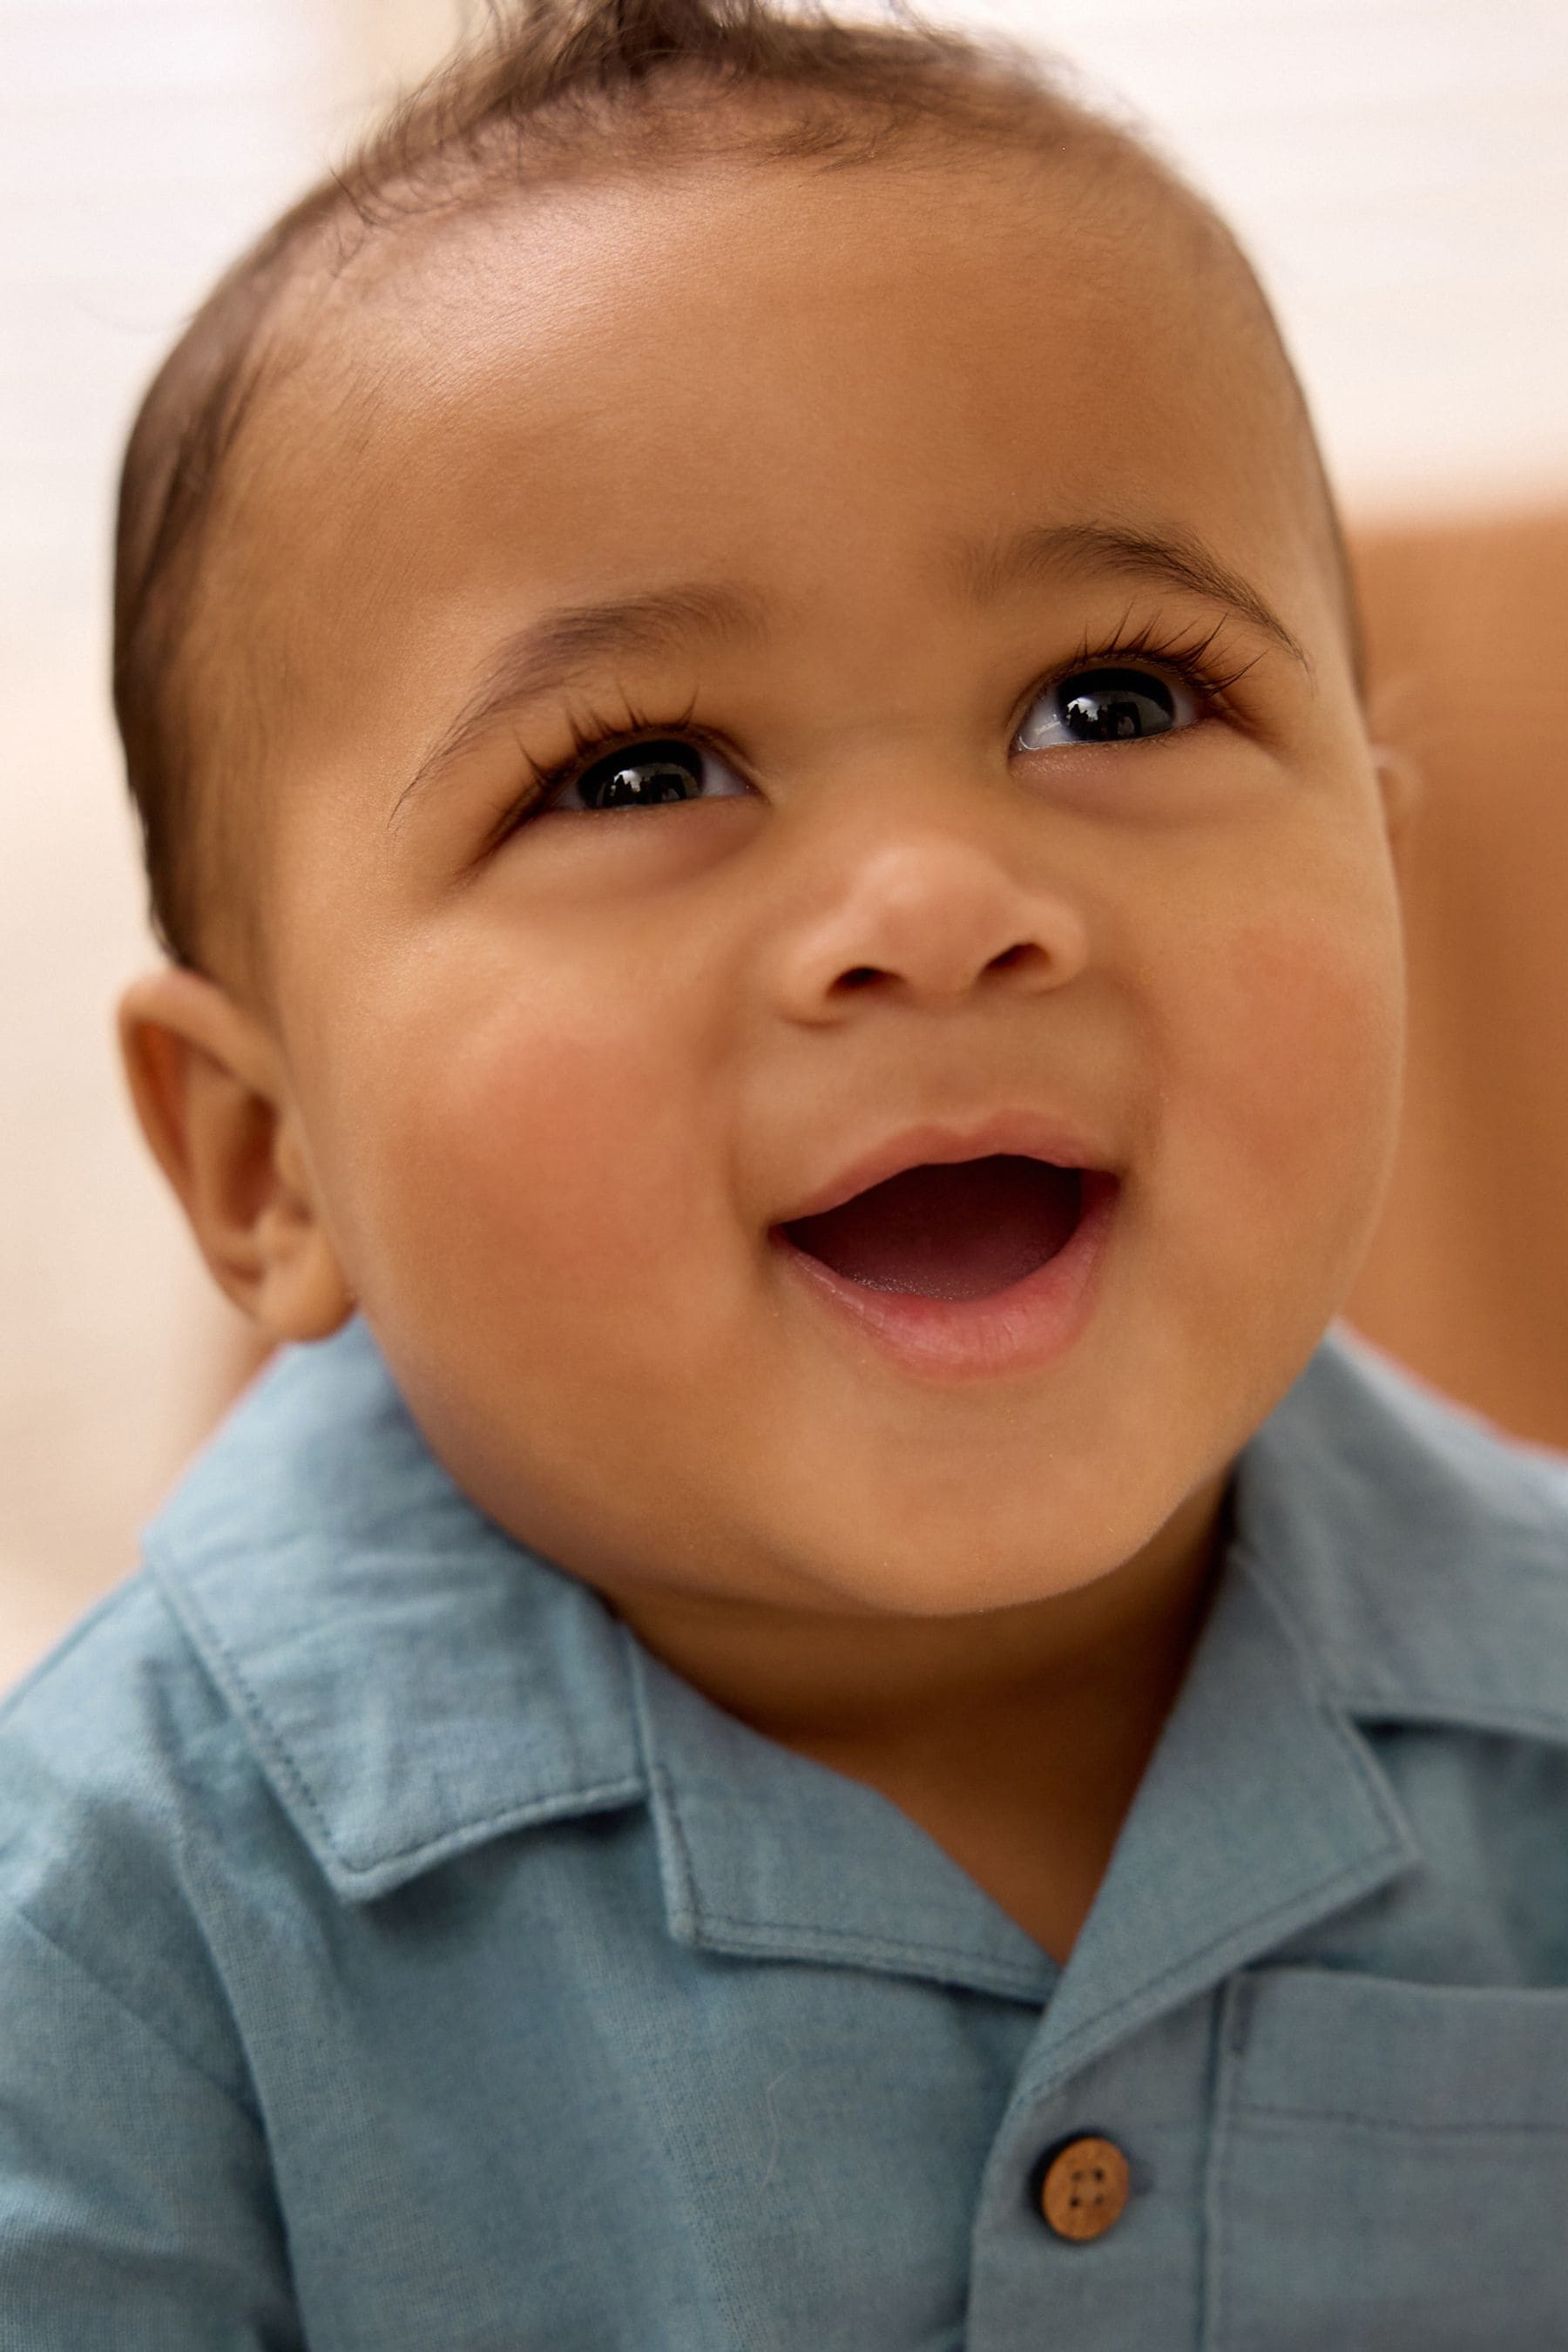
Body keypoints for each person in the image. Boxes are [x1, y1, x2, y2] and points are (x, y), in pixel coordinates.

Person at [4, 0, 1567, 2342]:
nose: (940, 899)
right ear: (266, 1158)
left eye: (1114, 700)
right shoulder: (123, 1925)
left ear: (1384, 851)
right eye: (638, 771)